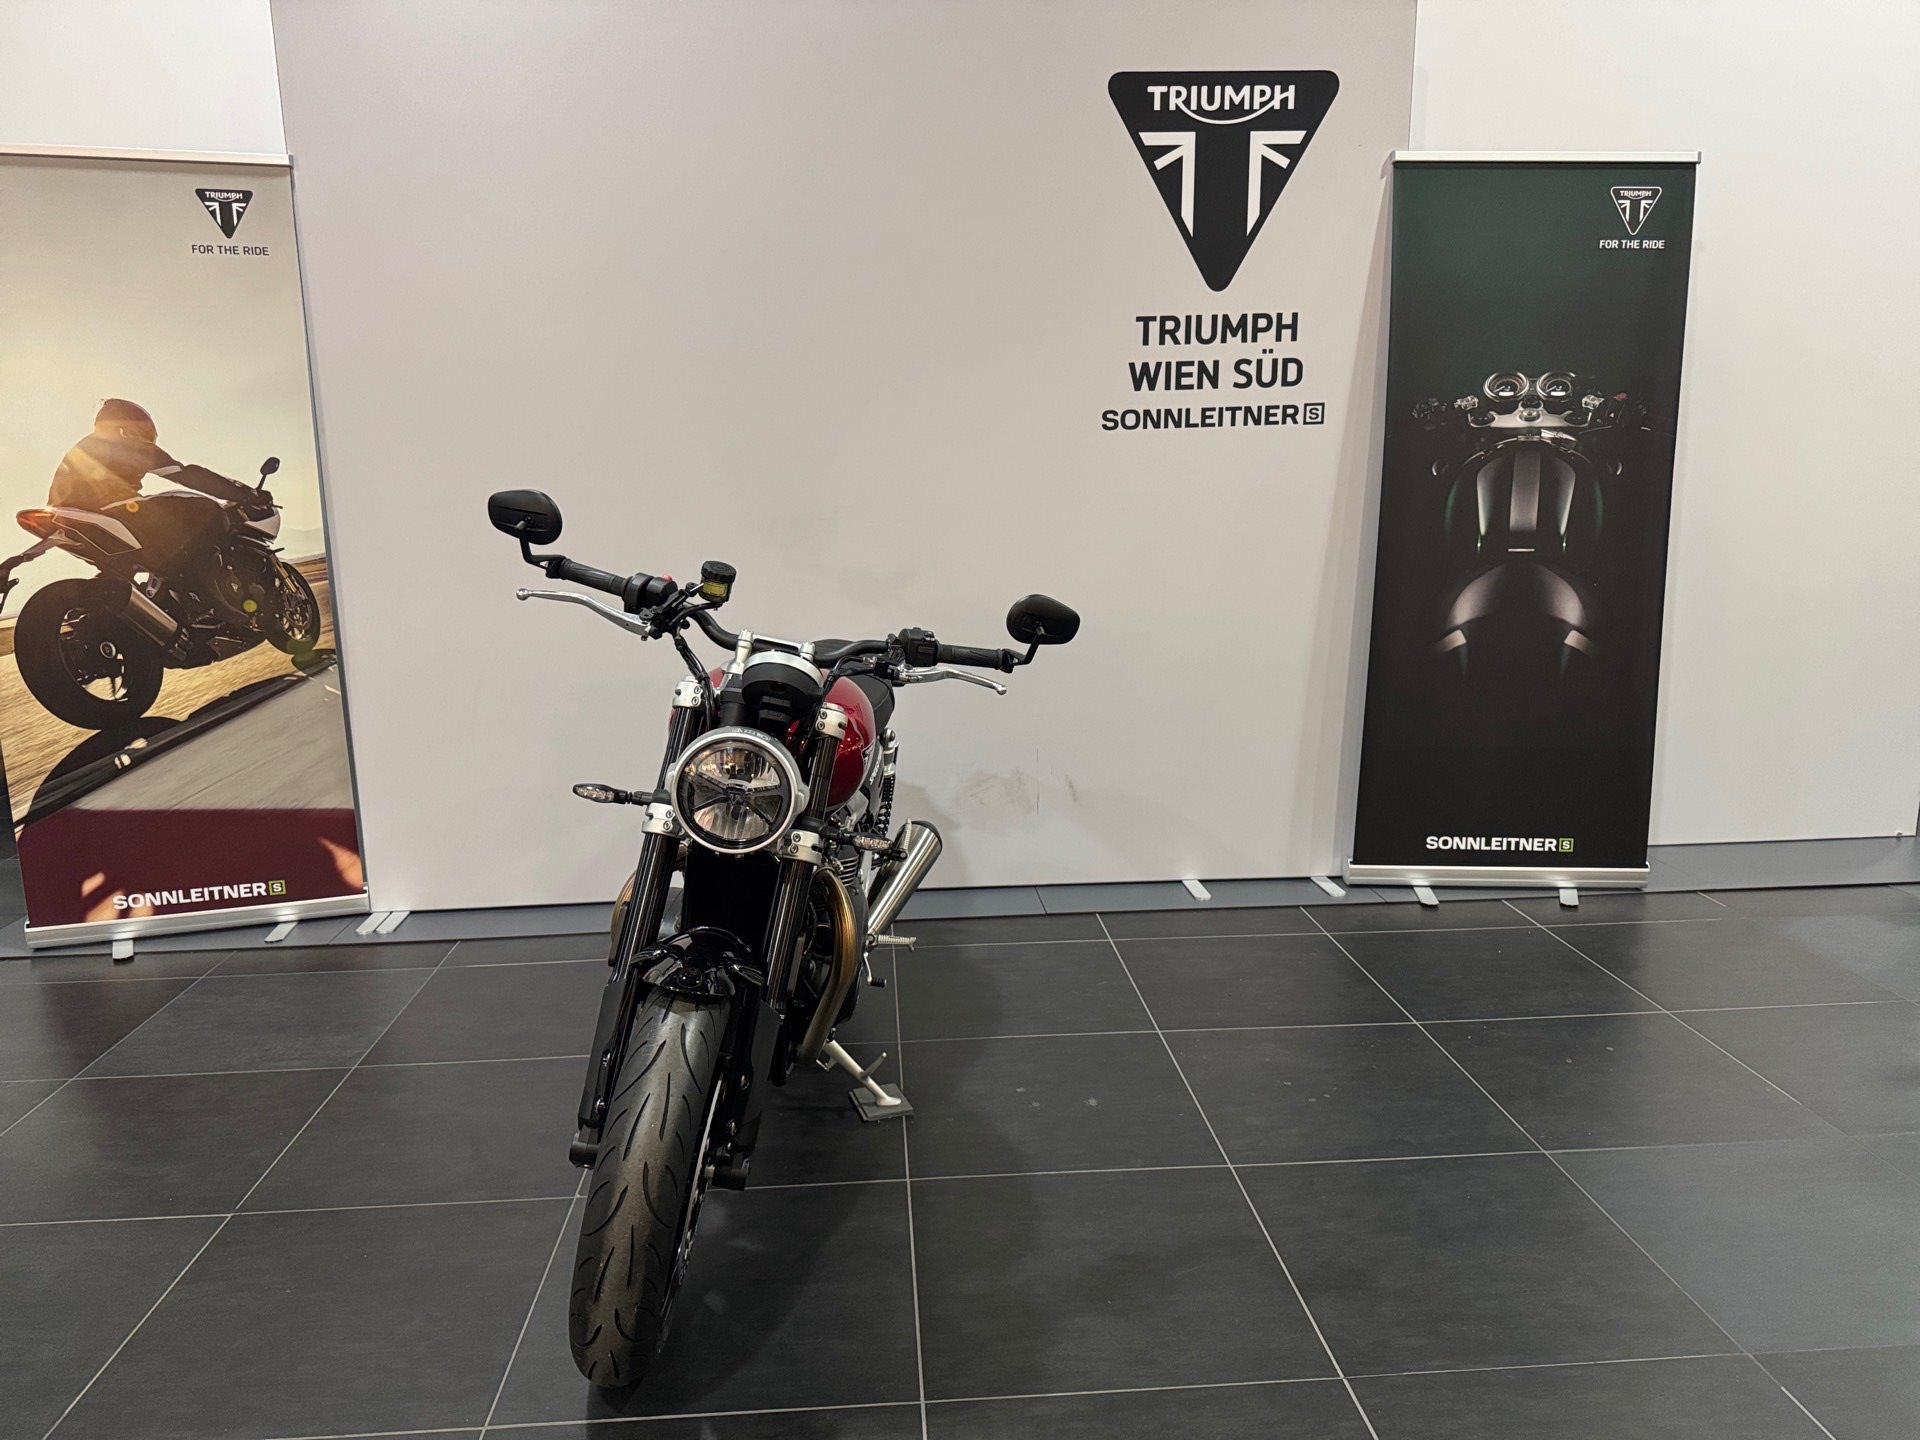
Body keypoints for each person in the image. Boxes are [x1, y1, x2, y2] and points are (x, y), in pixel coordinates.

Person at [46, 399, 262, 573]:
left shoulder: (83, 448)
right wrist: (243, 493)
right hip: (108, 509)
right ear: (129, 425)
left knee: (127, 565)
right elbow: (184, 474)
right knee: (208, 509)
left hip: (67, 515)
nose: (148, 439)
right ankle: (203, 581)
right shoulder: (123, 443)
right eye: (145, 432)